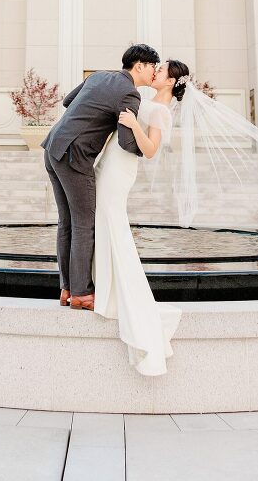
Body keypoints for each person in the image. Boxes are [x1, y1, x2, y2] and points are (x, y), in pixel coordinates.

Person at [41, 43, 160, 311]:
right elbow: (128, 143)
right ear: (139, 65)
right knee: (84, 222)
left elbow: (67, 101)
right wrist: (145, 144)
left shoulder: (97, 76)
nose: (155, 72)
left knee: (67, 222)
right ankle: (82, 293)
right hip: (75, 156)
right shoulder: (130, 94)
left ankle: (67, 287)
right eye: (153, 66)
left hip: (52, 147)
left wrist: (92, 114)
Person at [93, 58, 189, 375]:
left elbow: (150, 150)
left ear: (171, 82)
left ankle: (119, 295)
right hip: (111, 161)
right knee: (103, 222)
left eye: (162, 71)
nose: (156, 71)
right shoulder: (147, 100)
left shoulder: (160, 111)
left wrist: (134, 125)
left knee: (113, 221)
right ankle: (106, 289)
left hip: (123, 169)